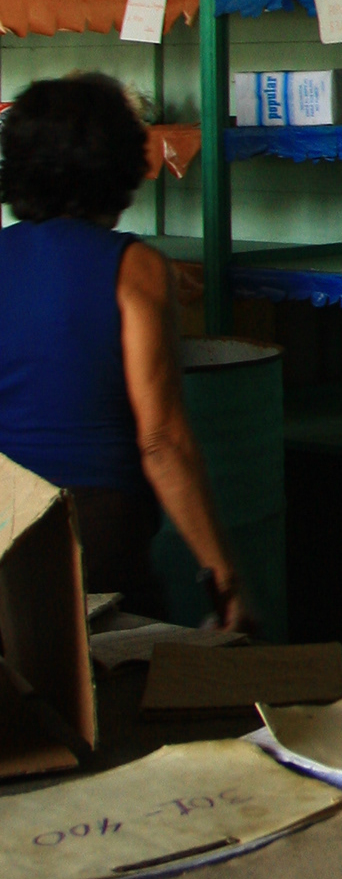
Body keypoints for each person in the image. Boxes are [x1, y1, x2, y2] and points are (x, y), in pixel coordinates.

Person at [0, 73, 250, 626]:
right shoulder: (135, 269)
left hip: (6, 522)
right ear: (117, 167)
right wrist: (224, 574)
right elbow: (162, 443)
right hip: (98, 530)